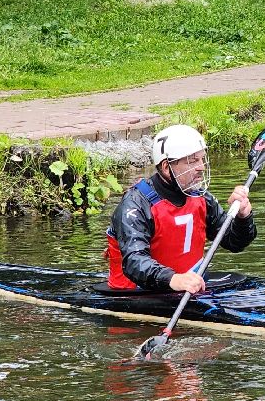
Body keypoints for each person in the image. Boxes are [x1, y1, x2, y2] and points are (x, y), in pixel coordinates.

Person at [106, 124, 254, 293]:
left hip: (188, 287)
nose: (201, 167)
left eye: (201, 159)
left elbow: (234, 243)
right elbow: (134, 260)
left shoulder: (201, 197)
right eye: (192, 161)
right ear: (166, 168)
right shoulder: (135, 204)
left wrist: (243, 216)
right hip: (135, 293)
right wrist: (172, 279)